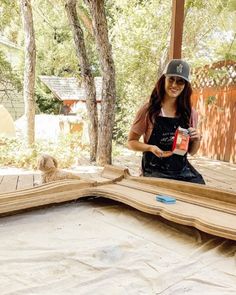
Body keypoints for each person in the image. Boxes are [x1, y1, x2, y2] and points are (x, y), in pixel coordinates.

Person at [127, 59, 205, 184]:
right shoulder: (148, 110)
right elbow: (131, 142)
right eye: (171, 79)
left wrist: (197, 139)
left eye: (180, 81)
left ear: (185, 86)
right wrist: (150, 147)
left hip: (181, 170)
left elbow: (192, 151)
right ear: (164, 80)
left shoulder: (190, 113)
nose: (174, 85)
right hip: (154, 169)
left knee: (201, 190)